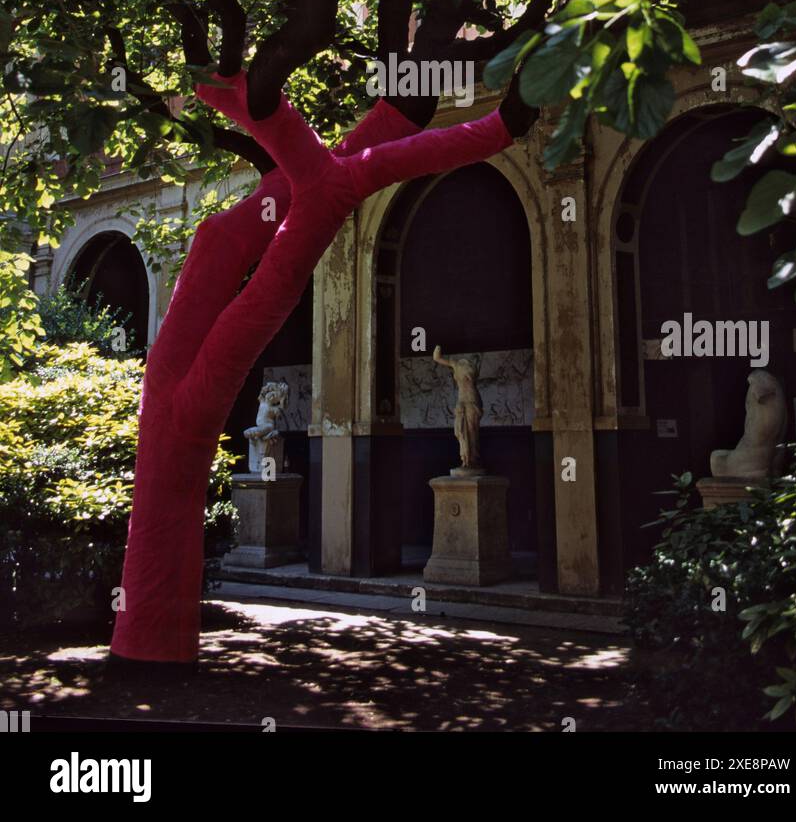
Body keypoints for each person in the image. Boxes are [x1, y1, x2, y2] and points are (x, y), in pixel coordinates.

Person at [109, 69, 536, 666]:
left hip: (322, 157)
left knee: (239, 234)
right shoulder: (316, 184)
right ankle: (147, 646)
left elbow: (318, 163)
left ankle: (149, 648)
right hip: (316, 159)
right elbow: (313, 164)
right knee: (227, 237)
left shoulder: (324, 182)